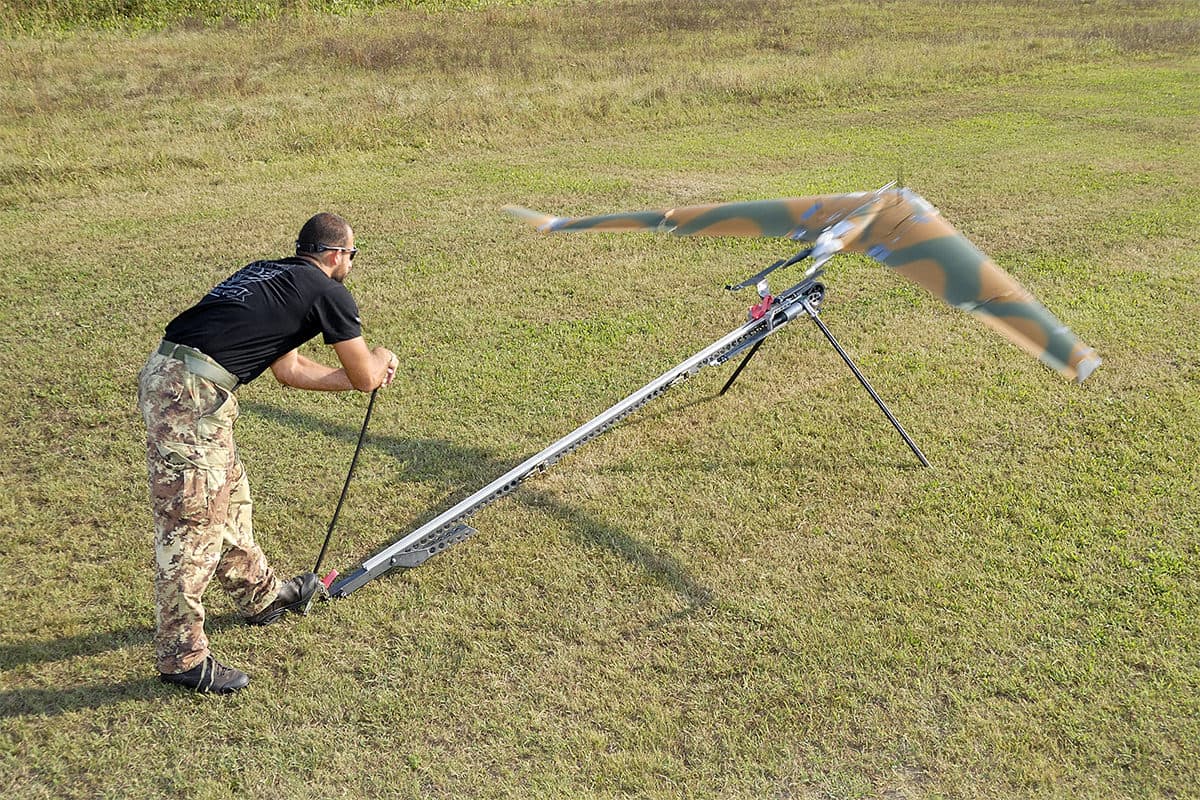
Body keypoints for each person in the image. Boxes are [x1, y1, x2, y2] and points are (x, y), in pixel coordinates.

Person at [138, 212, 398, 694]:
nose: (350, 264)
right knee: (193, 524)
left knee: (229, 497)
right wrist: (380, 360)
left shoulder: (269, 274)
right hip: (189, 395)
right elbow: (364, 374)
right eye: (351, 256)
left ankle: (259, 595)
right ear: (337, 254)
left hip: (185, 383)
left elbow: (291, 369)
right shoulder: (329, 292)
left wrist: (358, 378)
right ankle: (182, 657)